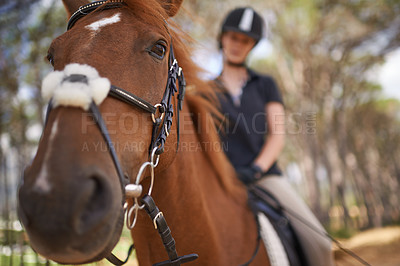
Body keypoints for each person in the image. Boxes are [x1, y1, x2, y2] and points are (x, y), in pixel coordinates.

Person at [212, 7, 335, 266]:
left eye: (245, 40)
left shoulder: (266, 84)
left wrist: (255, 169)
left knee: (321, 244)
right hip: (222, 183)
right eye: (234, 37)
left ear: (252, 45)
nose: (237, 44)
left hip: (264, 178)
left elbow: (277, 135)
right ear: (222, 37)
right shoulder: (205, 92)